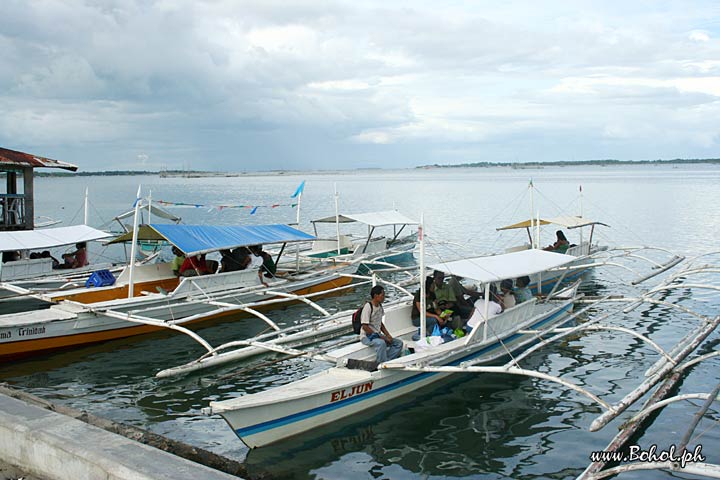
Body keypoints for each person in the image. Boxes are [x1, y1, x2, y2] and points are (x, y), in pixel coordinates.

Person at [360, 285, 403, 363]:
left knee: (398, 343)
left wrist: (388, 335)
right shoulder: (368, 307)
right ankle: (381, 362)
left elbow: (381, 324)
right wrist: (381, 337)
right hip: (367, 336)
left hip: (377, 335)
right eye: (382, 295)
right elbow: (365, 326)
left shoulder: (380, 306)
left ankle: (387, 360)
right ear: (376, 296)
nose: (384, 297)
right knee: (381, 343)